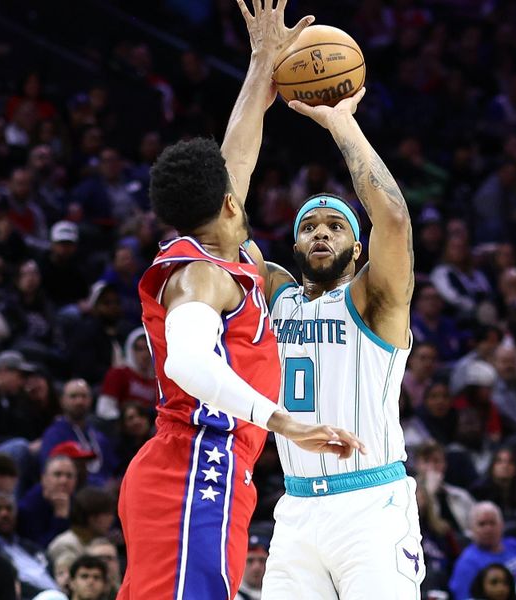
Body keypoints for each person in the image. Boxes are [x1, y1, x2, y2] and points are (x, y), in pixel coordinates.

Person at [117, 3, 360, 598]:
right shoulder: (201, 277)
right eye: (236, 188)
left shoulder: (222, 255)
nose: (242, 182)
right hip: (196, 466)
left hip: (208, 469)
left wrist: (261, 65)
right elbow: (189, 363)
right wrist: (285, 424)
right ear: (229, 204)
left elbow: (237, 154)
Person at [251, 79, 421, 599]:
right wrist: (258, 82)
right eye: (309, 227)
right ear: (294, 242)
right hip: (298, 509)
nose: (320, 233)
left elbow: (392, 218)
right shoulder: (274, 291)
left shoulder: (375, 300)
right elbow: (222, 218)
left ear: (355, 249)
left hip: (372, 505)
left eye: (335, 227)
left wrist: (341, 124)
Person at [449, 502, 516, 600]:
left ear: (502, 525)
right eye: (482, 524)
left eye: (492, 523)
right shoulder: (466, 564)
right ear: (471, 529)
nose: (488, 529)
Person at [235, 534, 268, 600]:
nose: (256, 567)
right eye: (250, 561)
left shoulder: (280, 593)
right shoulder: (230, 596)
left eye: (262, 560)